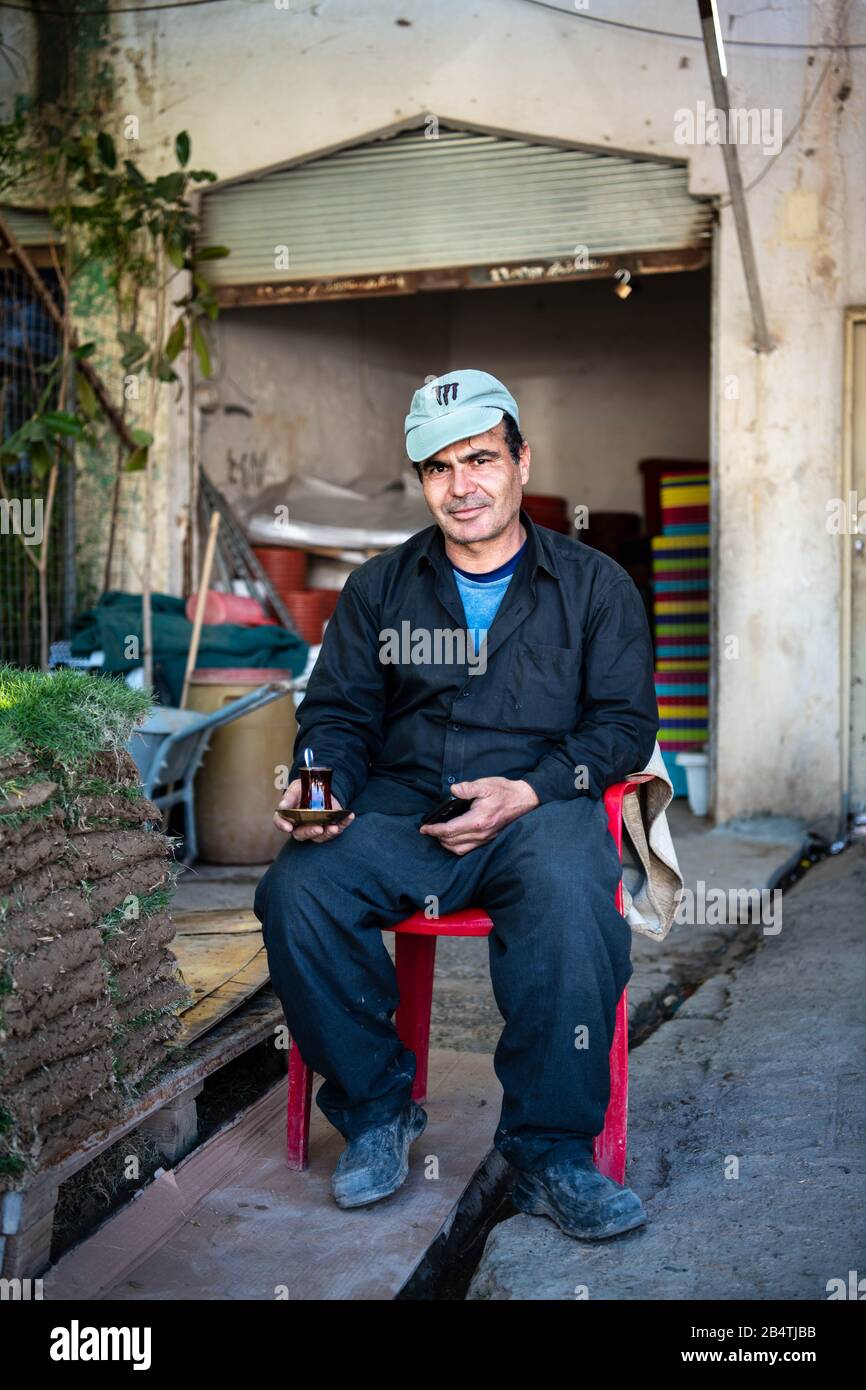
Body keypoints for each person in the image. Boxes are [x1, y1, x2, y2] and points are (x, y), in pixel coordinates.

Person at [254, 369, 659, 1240]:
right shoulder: (380, 590)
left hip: (536, 809)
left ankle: (551, 1155)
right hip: (405, 812)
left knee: (569, 892)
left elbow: (624, 728)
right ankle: (375, 1112)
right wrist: (318, 788)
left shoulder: (595, 587)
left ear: (521, 462)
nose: (461, 484)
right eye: (439, 468)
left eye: (480, 458)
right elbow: (339, 715)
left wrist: (534, 789)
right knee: (299, 888)